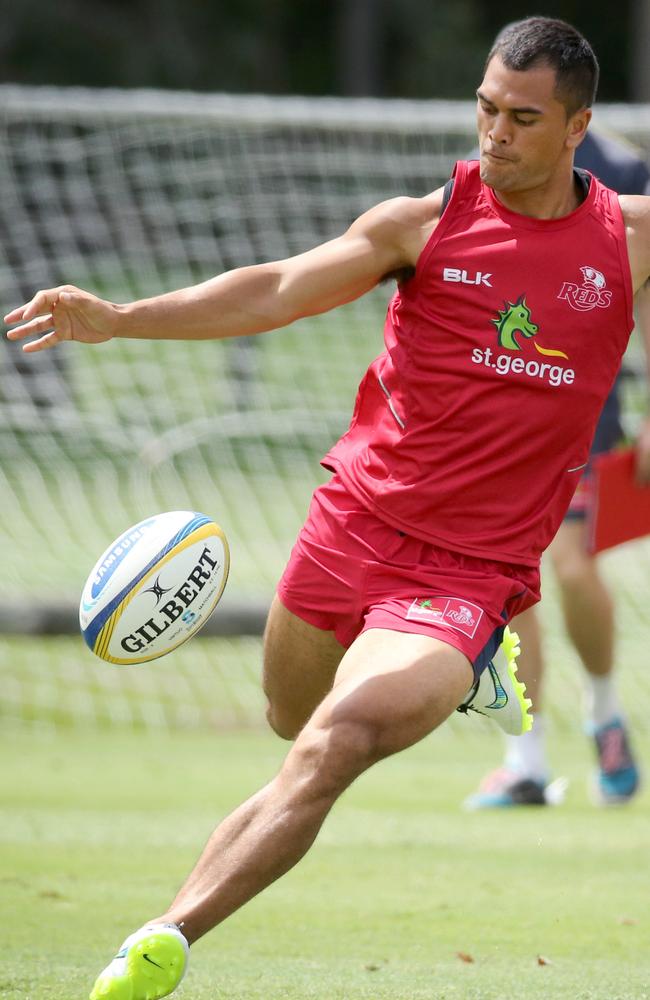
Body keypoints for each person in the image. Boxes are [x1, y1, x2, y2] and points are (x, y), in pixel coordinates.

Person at [5, 16, 650, 1000]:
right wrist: (122, 319)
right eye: (484, 109)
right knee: (289, 718)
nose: (494, 134)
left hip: (464, 578)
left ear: (576, 128)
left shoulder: (625, 237)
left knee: (332, 743)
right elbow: (274, 291)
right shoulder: (420, 226)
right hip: (348, 526)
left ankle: (160, 940)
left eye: (522, 118)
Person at [465, 130, 650, 810]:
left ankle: (604, 715)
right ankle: (526, 762)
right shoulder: (485, 167)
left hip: (585, 405)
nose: (502, 121)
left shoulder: (624, 171)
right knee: (508, 582)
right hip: (498, 409)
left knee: (570, 565)